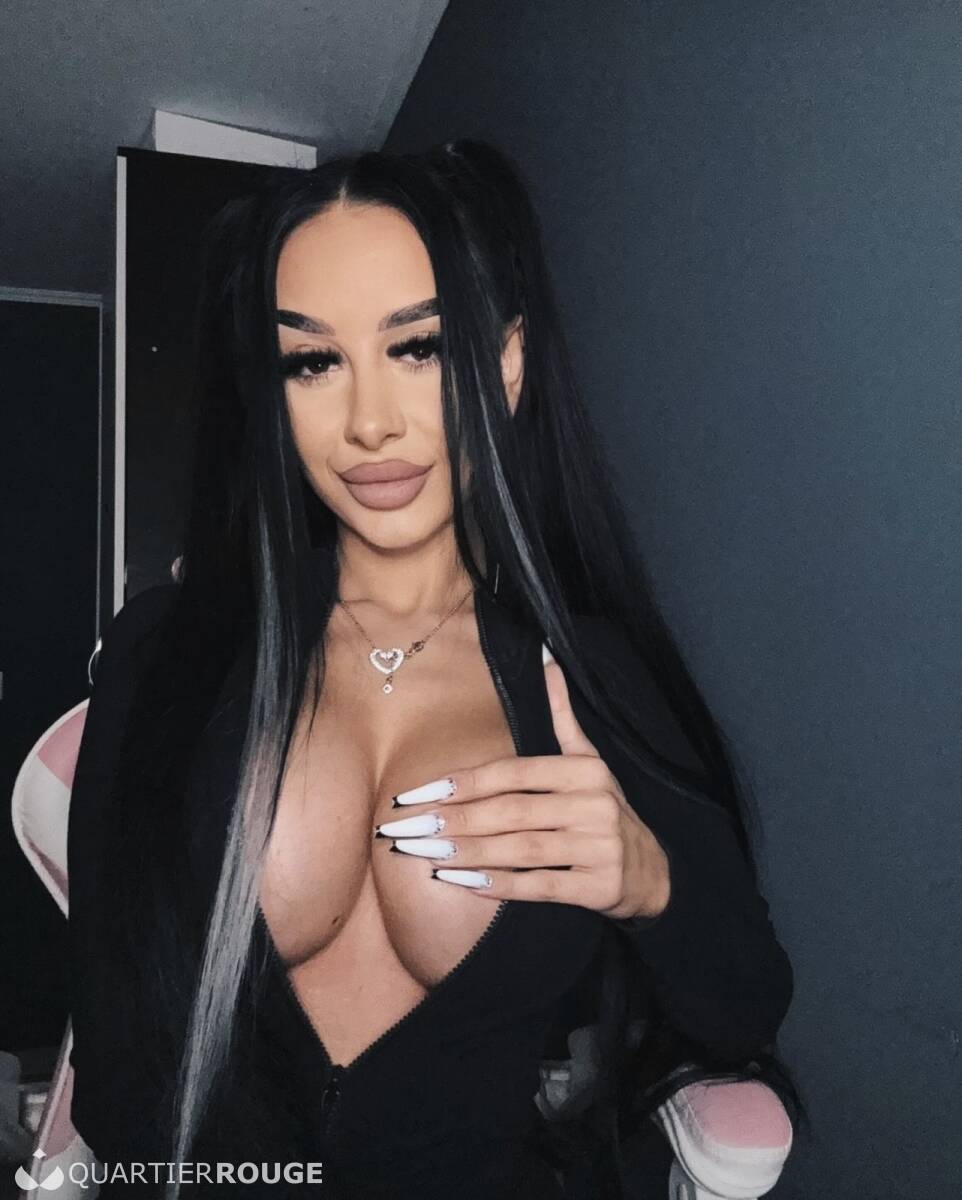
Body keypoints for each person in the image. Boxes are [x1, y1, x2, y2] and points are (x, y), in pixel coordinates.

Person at [67, 140, 804, 1200]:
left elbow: (742, 1009)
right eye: (312, 362)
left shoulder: (586, 680)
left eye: (418, 347)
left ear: (505, 368)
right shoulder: (170, 650)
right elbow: (113, 1053)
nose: (370, 421)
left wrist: (650, 885)